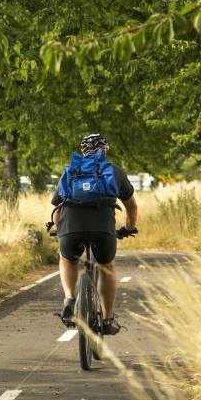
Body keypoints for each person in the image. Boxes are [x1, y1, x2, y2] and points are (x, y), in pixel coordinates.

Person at [50, 134, 138, 335]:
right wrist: (129, 227)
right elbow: (131, 207)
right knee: (107, 266)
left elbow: (57, 209)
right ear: (105, 150)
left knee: (67, 259)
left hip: (71, 227)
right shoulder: (114, 171)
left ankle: (70, 297)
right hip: (103, 228)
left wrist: (60, 229)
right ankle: (107, 320)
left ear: (83, 151)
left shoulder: (71, 171)